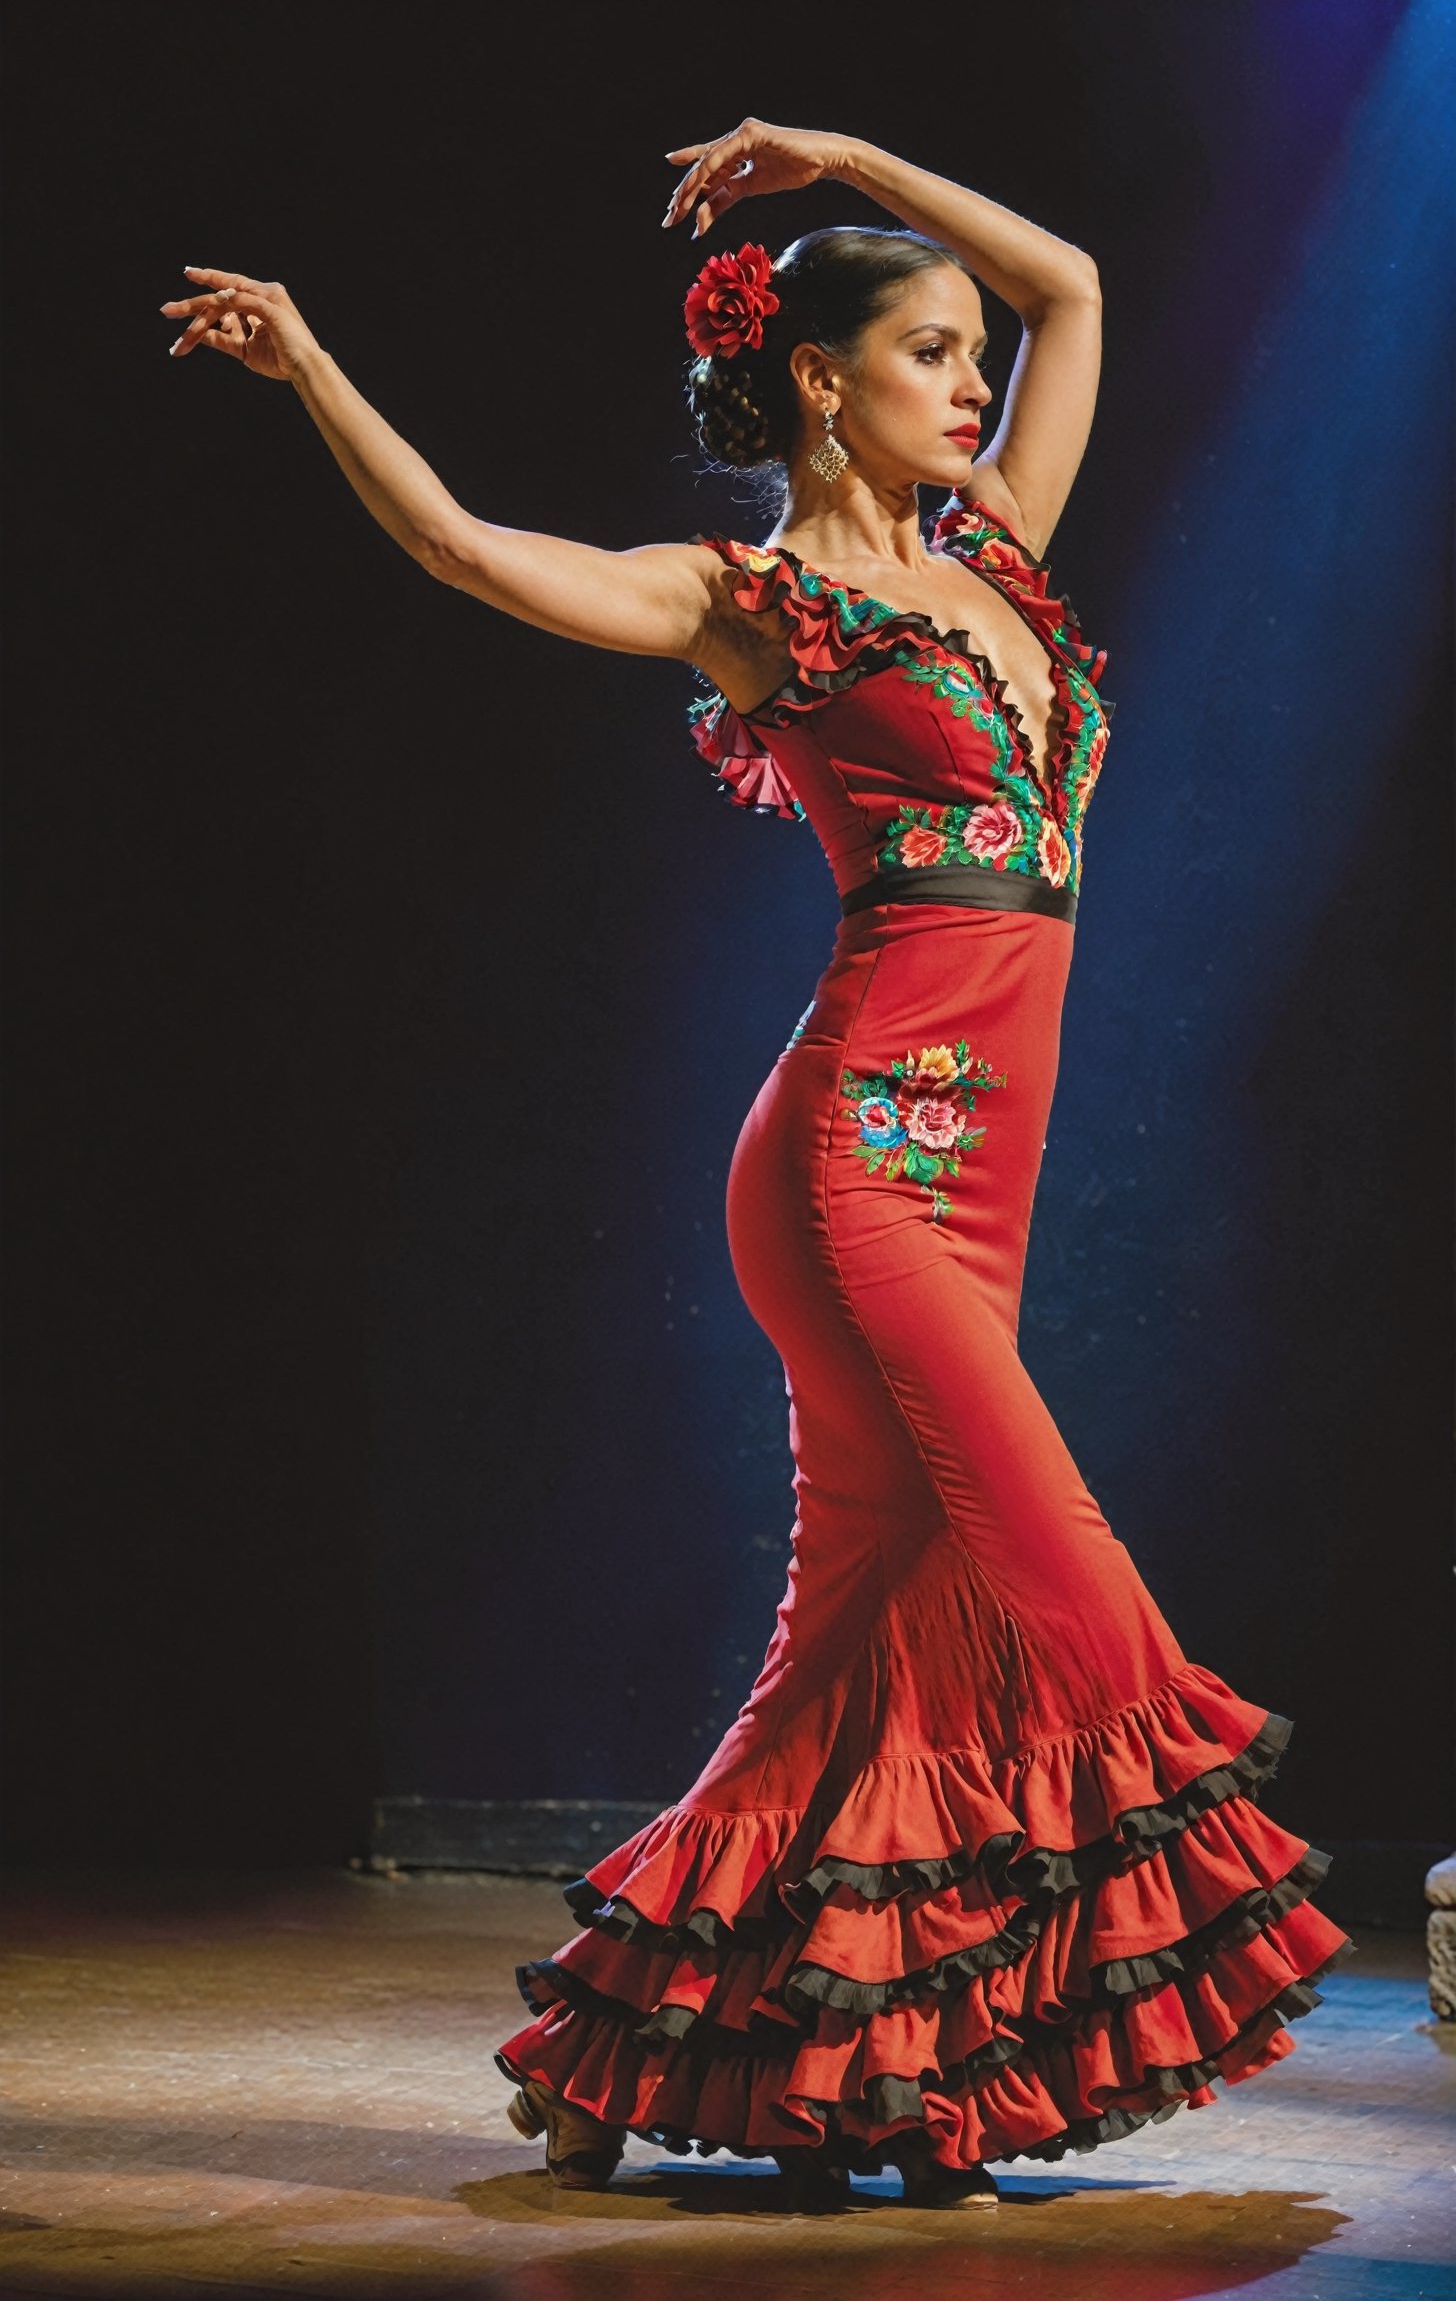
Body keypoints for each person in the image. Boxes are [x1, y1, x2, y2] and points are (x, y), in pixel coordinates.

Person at [162, 118, 1352, 2216]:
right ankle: (935, 2033)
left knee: (855, 1653)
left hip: (974, 1182)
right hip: (854, 1168)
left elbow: (1071, 279)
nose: (974, 385)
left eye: (966, 357)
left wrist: (849, 154)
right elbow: (456, 546)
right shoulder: (758, 607)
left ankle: (685, 2056)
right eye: (927, 352)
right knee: (1061, 1593)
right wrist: (314, 366)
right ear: (823, 378)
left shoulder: (986, 555)